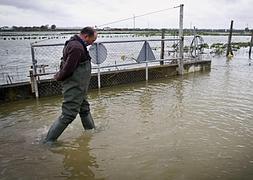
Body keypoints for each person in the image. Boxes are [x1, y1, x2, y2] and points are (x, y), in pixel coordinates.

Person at [45, 27, 97, 143]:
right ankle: (49, 141)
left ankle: (91, 131)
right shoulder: (77, 47)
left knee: (84, 109)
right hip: (74, 85)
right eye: (92, 40)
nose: (92, 43)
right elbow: (68, 69)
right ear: (86, 36)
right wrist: (58, 77)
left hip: (80, 86)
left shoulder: (76, 43)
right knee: (68, 114)